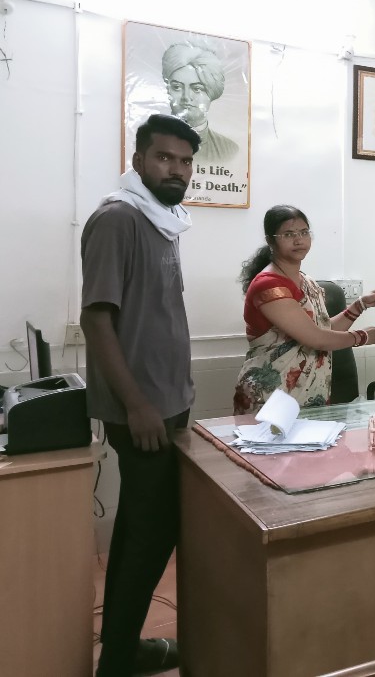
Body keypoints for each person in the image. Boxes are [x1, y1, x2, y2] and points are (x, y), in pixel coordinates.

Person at [81, 113, 201, 676]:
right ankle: (118, 662)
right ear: (138, 160)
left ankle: (121, 649)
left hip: (167, 402)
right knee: (154, 533)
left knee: (139, 527)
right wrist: (136, 404)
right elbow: (96, 319)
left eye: (185, 161)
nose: (176, 169)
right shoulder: (118, 219)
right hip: (143, 410)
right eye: (164, 157)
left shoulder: (163, 219)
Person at [233, 205, 375, 413]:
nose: (298, 240)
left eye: (304, 232)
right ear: (270, 241)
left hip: (310, 396)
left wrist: (360, 305)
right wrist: (362, 336)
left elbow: (323, 329)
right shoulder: (269, 286)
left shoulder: (307, 282)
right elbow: (316, 338)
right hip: (270, 397)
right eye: (288, 234)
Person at [162, 42, 239, 162]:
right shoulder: (148, 143)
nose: (186, 97)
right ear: (168, 90)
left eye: (197, 89)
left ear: (211, 91)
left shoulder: (230, 150)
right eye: (177, 87)